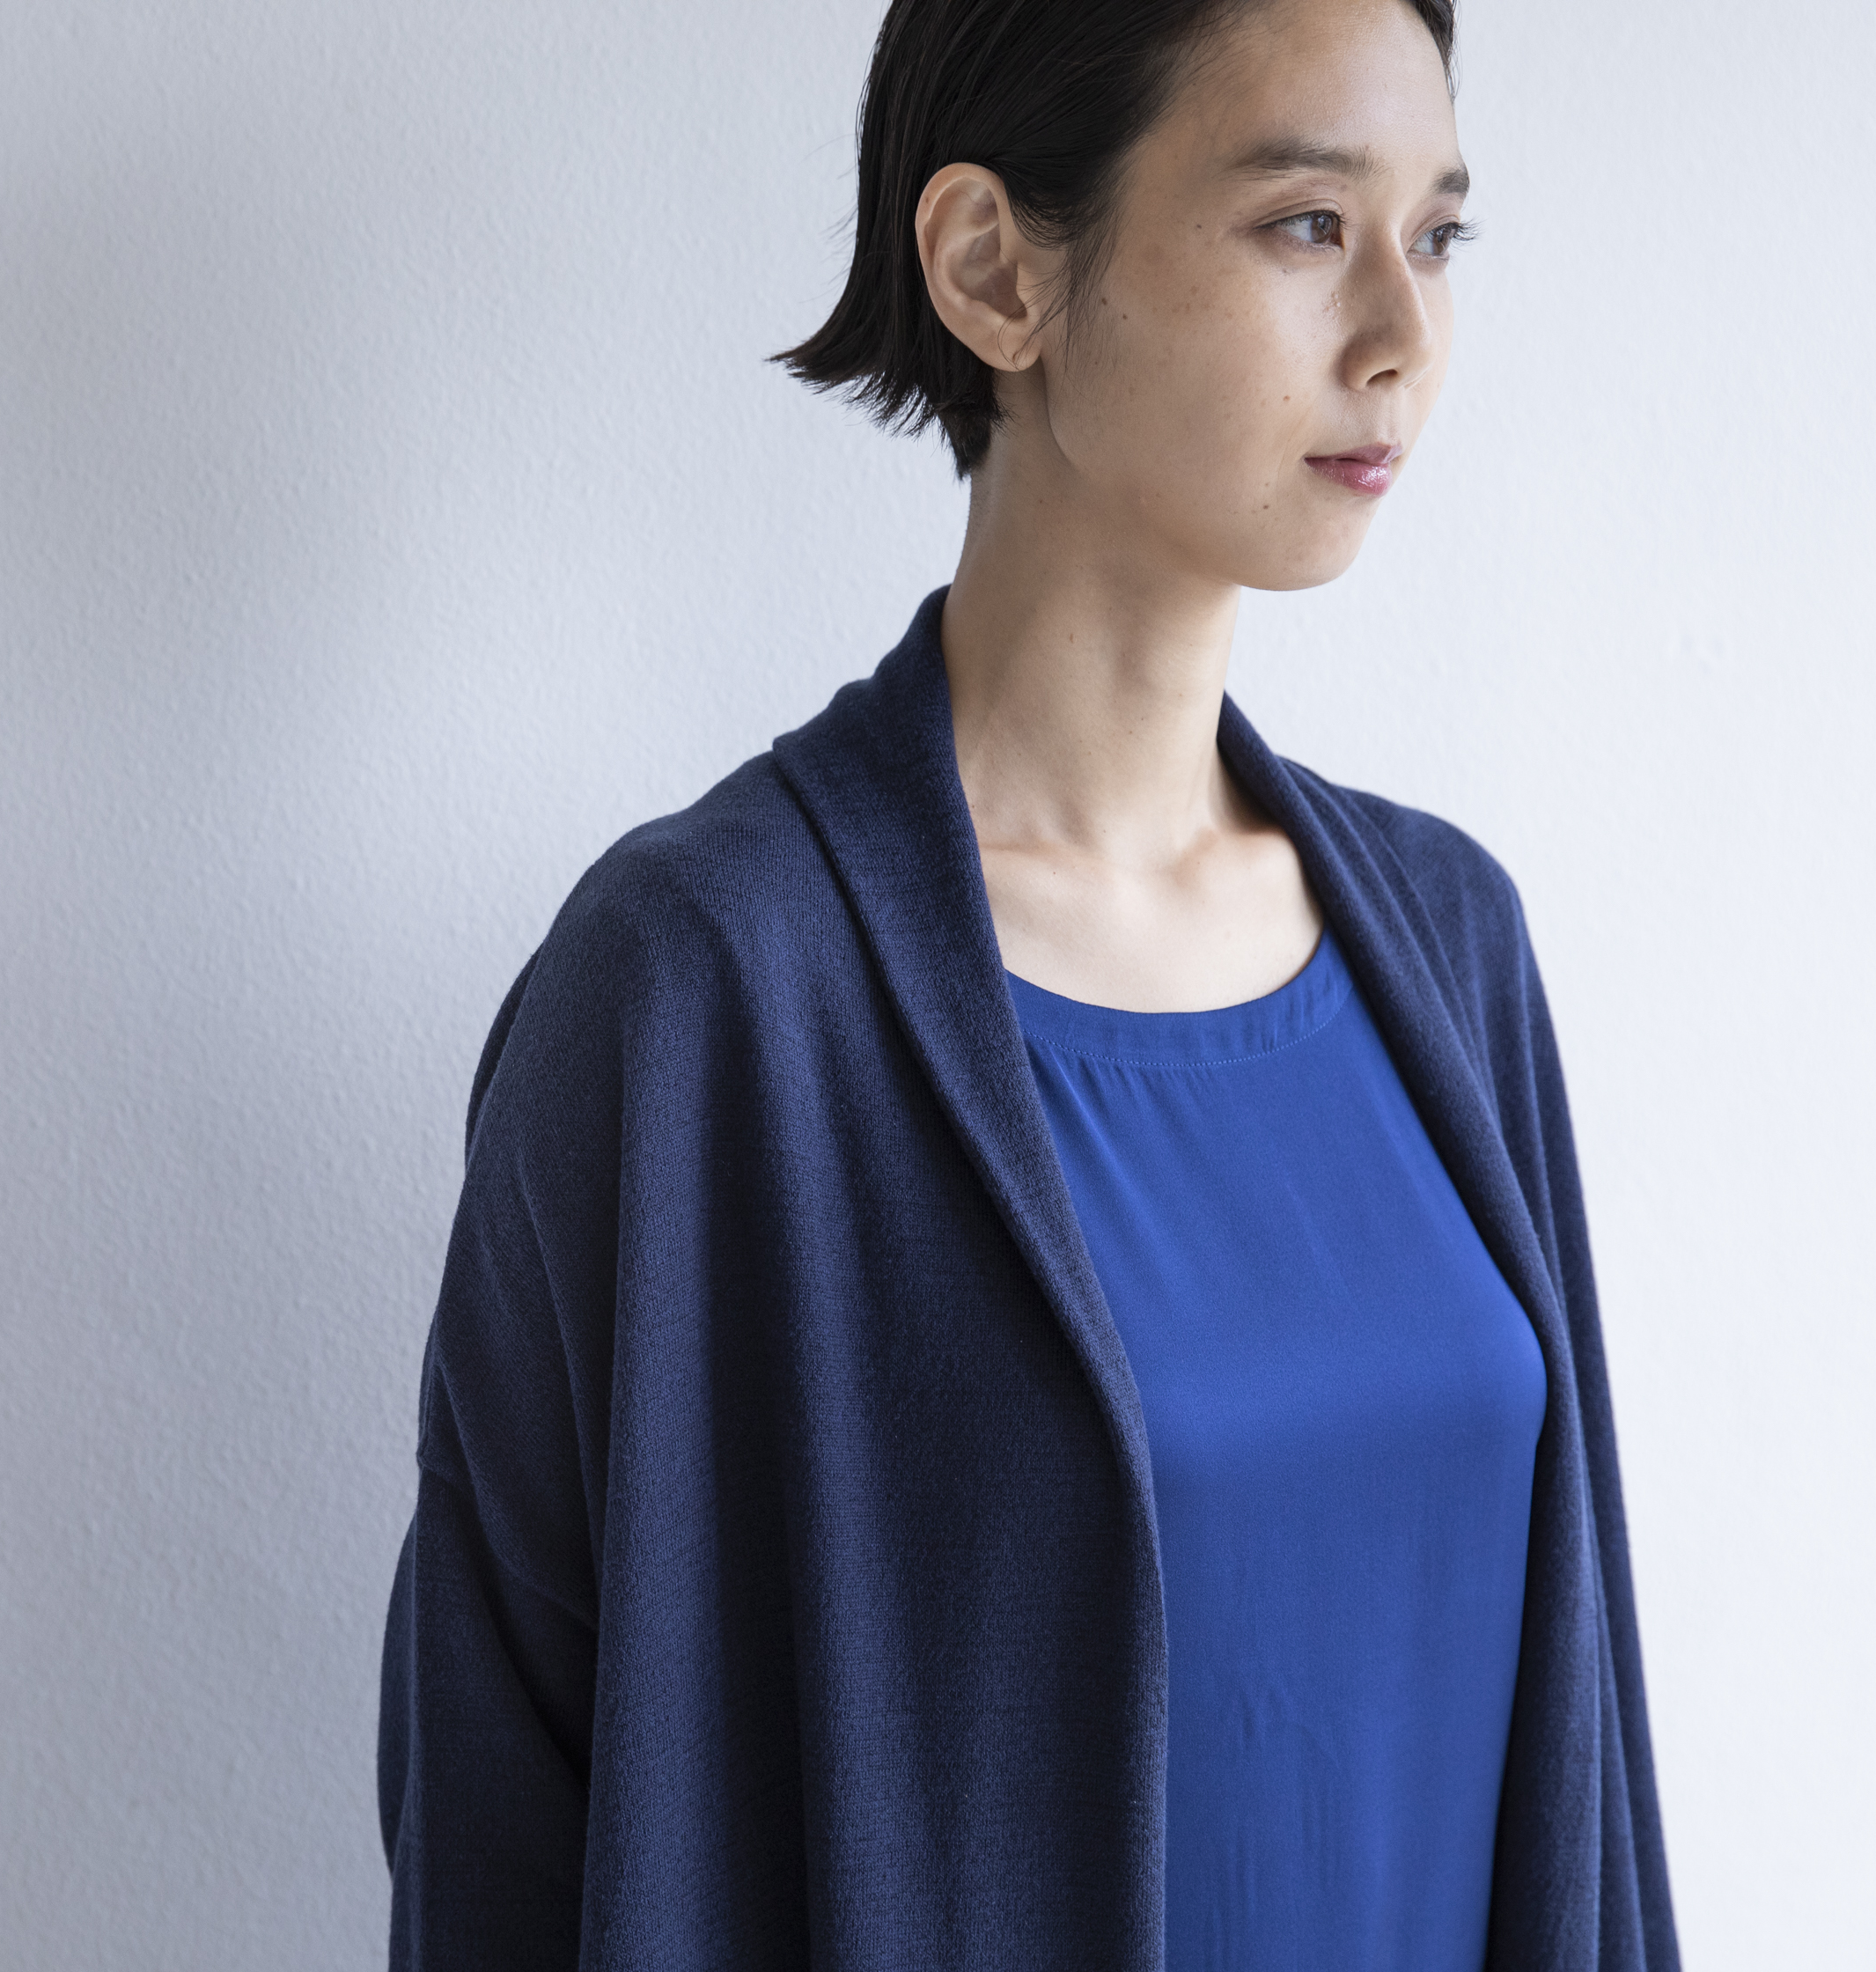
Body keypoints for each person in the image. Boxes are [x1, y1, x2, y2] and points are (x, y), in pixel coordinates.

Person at [378, 0, 1679, 1965]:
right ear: (995, 267)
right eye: (1306, 226)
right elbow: (500, 1819)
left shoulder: (1450, 944)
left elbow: (1581, 1783)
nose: (1402, 335)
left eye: (1439, 233)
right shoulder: (707, 994)